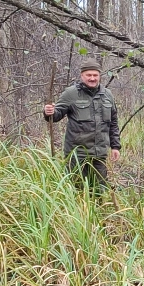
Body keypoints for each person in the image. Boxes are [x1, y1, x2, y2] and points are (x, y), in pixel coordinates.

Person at [43, 58, 121, 192]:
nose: (92, 78)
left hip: (99, 154)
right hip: (77, 155)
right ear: (82, 76)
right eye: (88, 75)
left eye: (95, 75)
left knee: (99, 190)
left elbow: (113, 123)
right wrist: (49, 112)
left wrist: (115, 146)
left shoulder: (107, 95)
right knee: (76, 190)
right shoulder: (71, 93)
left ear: (99, 76)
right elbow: (56, 115)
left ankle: (97, 212)